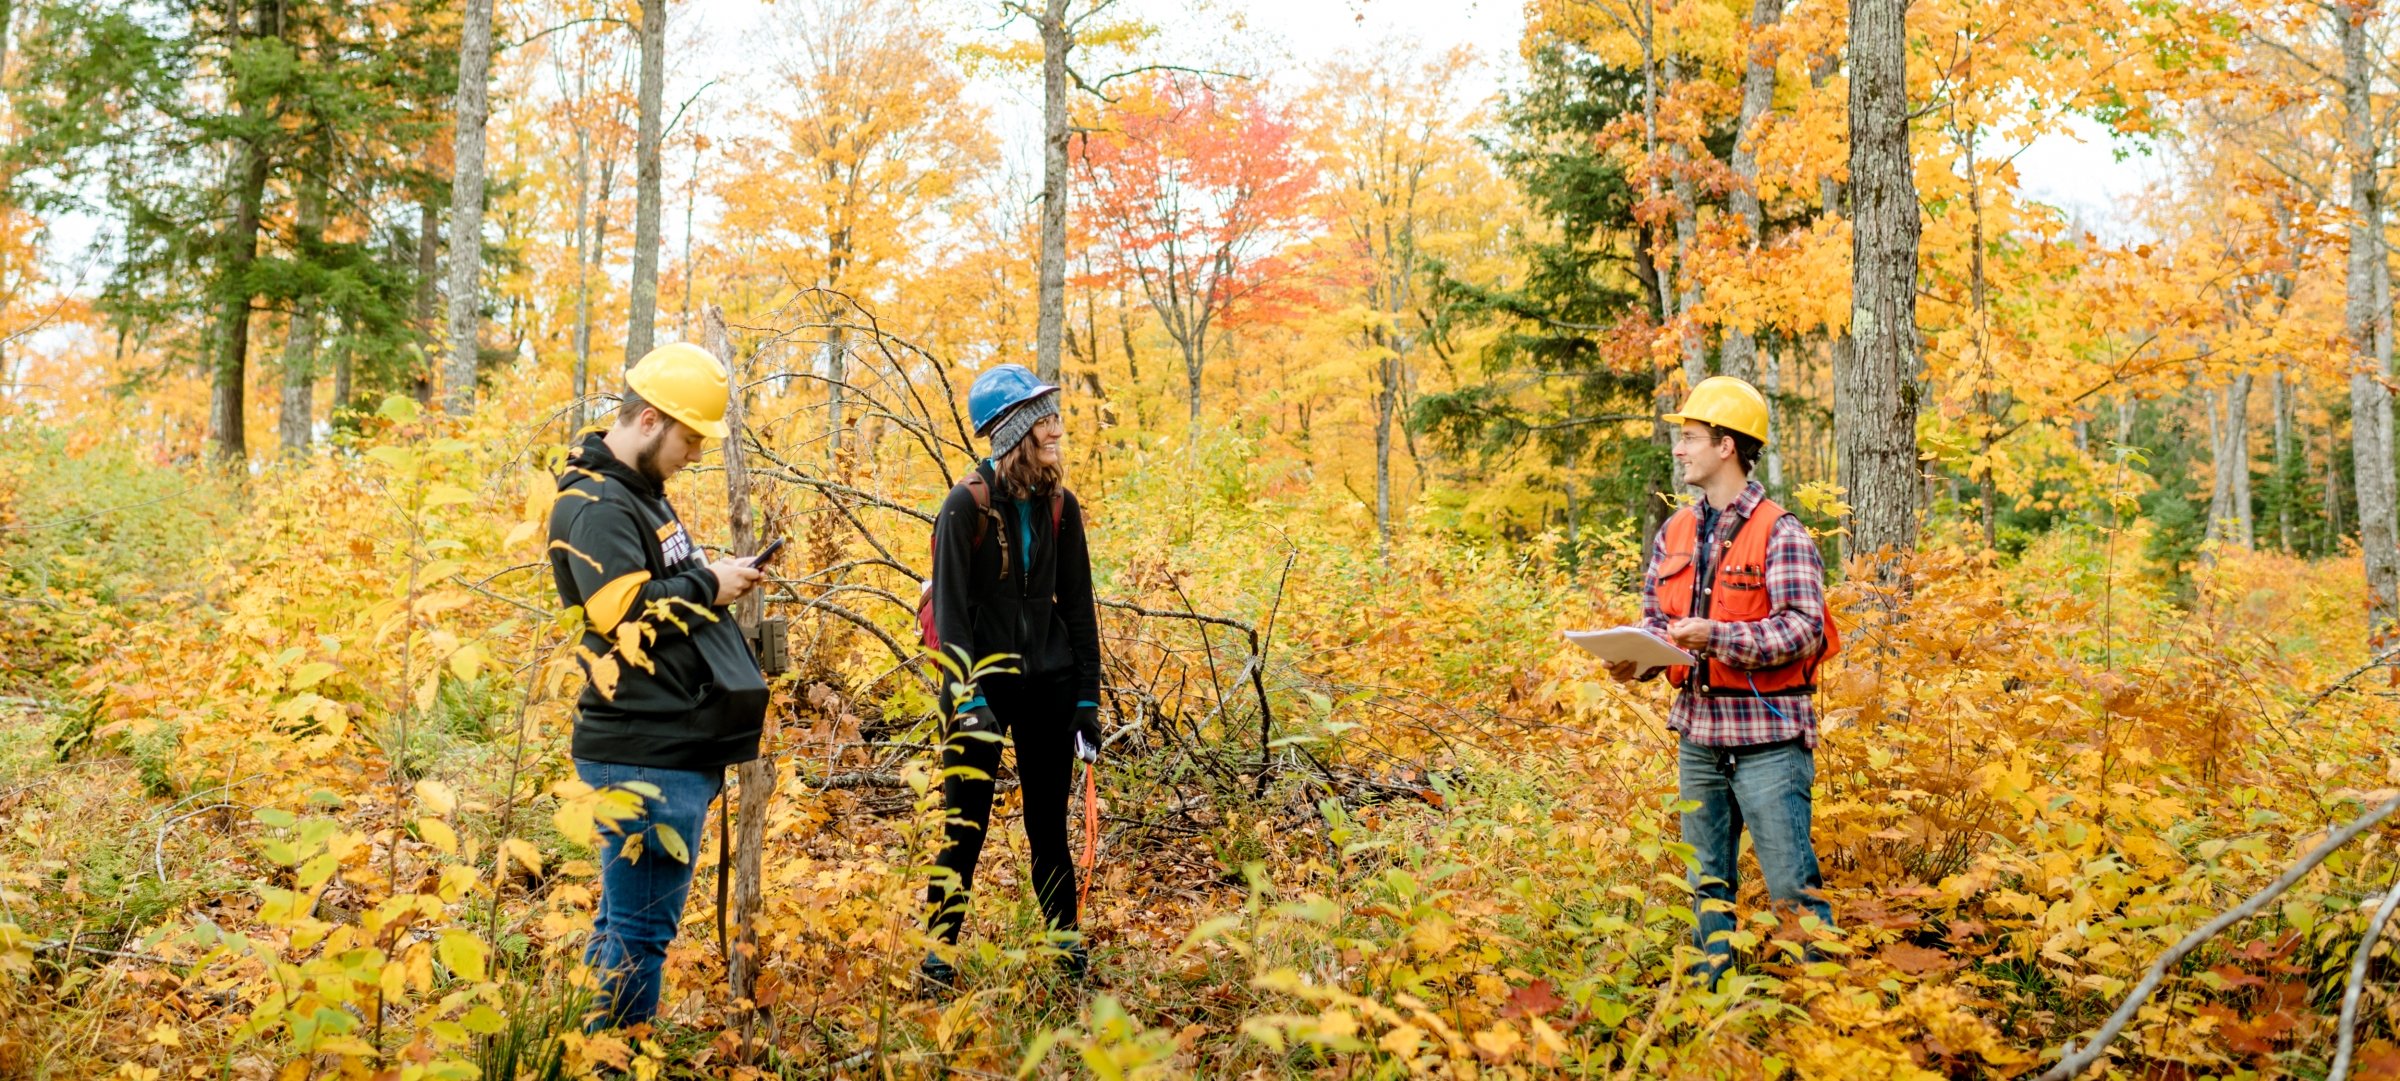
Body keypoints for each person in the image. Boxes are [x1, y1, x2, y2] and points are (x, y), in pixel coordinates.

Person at [545, 341, 770, 1029]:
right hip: (642, 753)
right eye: (690, 437)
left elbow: (659, 587)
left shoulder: (642, 497)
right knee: (641, 937)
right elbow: (621, 612)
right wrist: (711, 583)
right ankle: (614, 1060)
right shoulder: (597, 505)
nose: (696, 452)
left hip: (668, 746)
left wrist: (714, 575)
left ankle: (589, 1054)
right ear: (648, 419)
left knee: (623, 926)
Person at [1606, 375, 1839, 988]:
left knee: (1792, 885)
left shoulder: (1782, 533)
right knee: (1706, 883)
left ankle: (1827, 1013)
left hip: (1769, 742)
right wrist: (1640, 656)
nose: (1679, 450)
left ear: (1726, 445)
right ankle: (1717, 1006)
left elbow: (1804, 632)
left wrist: (1717, 636)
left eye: (1690, 437)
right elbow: (1661, 624)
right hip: (1698, 739)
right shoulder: (1675, 532)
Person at [919, 363, 1105, 992]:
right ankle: (937, 956)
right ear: (1015, 431)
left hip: (1050, 685)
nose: (1056, 429)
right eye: (1044, 419)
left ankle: (1064, 947)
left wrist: (1087, 702)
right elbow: (950, 616)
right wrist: (966, 699)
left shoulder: (1061, 505)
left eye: (1053, 416)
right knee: (964, 825)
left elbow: (1079, 608)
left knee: (1048, 825)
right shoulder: (963, 507)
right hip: (981, 687)